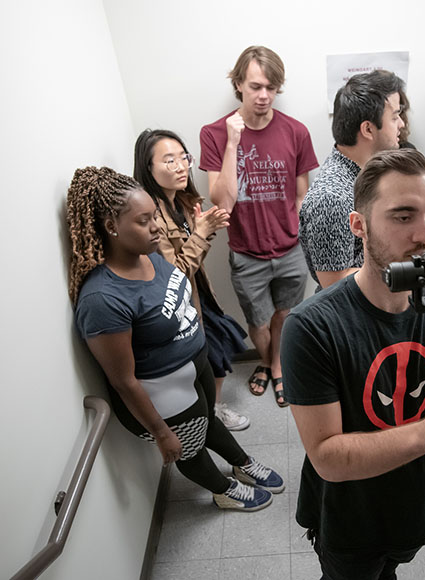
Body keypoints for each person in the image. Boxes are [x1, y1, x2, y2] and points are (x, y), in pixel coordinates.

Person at [282, 149, 425, 579]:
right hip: (350, 525)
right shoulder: (312, 326)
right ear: (359, 226)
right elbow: (327, 456)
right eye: (403, 217)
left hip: (421, 511)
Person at [67, 166, 284, 511]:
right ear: (111, 227)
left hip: (193, 369)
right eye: (143, 221)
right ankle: (223, 489)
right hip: (162, 394)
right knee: (189, 445)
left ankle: (242, 462)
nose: (155, 227)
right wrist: (161, 433)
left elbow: (179, 289)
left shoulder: (149, 254)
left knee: (206, 420)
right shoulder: (102, 299)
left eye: (154, 216)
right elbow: (122, 380)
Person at [200, 45, 318, 407]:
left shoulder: (296, 132)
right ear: (238, 84)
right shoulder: (215, 134)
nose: (264, 96)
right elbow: (222, 202)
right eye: (255, 87)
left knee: (285, 315)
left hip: (291, 249)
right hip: (246, 252)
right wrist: (234, 144)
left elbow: (302, 195)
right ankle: (266, 363)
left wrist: (299, 239)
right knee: (259, 321)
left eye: (271, 87)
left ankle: (276, 366)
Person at [133, 129, 249, 432]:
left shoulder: (181, 201)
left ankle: (213, 410)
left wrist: (204, 230)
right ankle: (210, 417)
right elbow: (176, 276)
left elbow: (190, 257)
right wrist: (202, 233)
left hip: (200, 294)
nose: (181, 166)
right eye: (168, 161)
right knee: (213, 356)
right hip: (181, 304)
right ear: (148, 169)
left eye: (183, 157)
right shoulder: (152, 217)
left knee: (220, 350)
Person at [298, 70, 406, 289]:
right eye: (394, 117)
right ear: (368, 129)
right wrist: (402, 268)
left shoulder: (366, 174)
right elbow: (334, 283)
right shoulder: (330, 198)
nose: (401, 124)